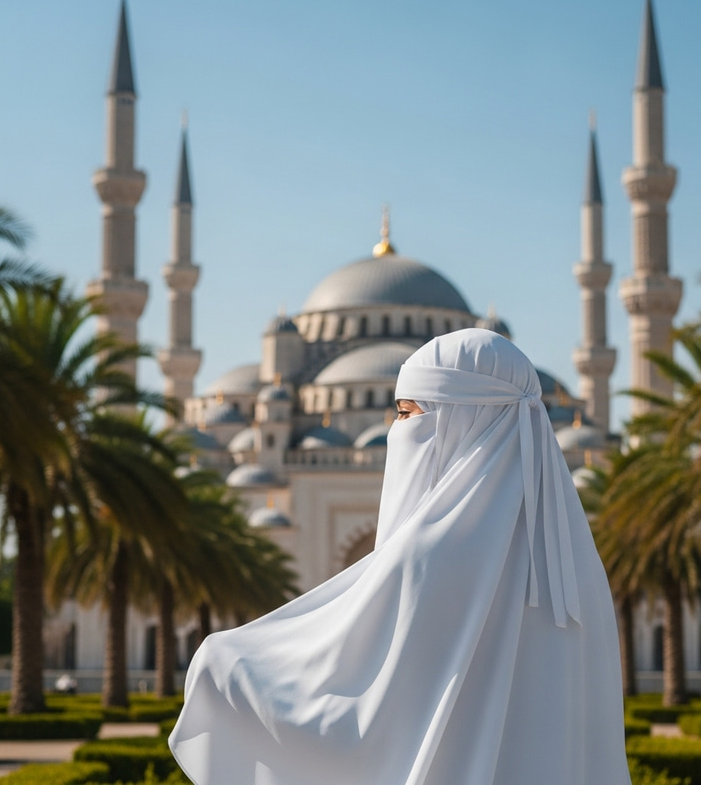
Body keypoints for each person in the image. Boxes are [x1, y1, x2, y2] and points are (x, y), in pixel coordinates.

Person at [170, 328, 631, 785]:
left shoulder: (433, 552)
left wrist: (226, 667)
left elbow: (361, 720)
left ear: (458, 419)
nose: (397, 433)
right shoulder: (575, 567)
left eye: (409, 414)